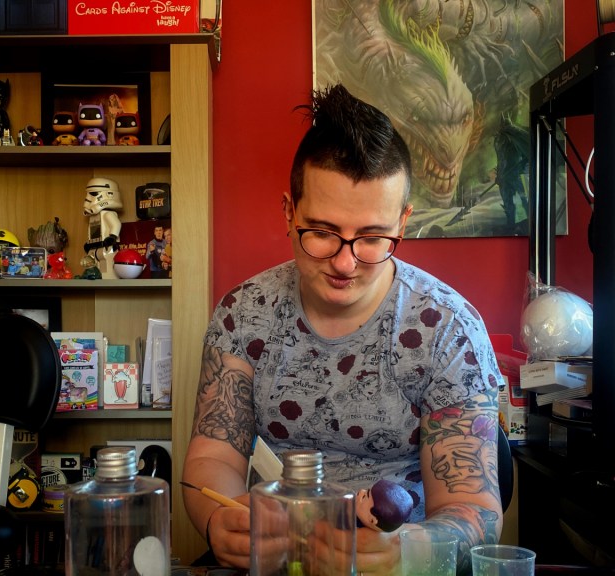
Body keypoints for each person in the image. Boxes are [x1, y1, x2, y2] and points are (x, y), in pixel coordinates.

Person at [182, 84, 504, 574]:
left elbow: (475, 510)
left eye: (374, 238)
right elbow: (213, 458)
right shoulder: (242, 314)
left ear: (404, 221)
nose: (345, 262)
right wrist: (218, 520)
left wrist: (409, 550)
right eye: (323, 233)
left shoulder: (449, 330)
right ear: (289, 213)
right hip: (275, 560)